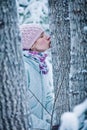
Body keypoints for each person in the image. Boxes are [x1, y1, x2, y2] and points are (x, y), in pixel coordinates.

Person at [20, 24, 58, 130]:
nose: (48, 37)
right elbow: (18, 111)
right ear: (31, 44)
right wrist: (47, 127)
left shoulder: (40, 65)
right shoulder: (23, 67)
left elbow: (47, 99)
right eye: (41, 36)